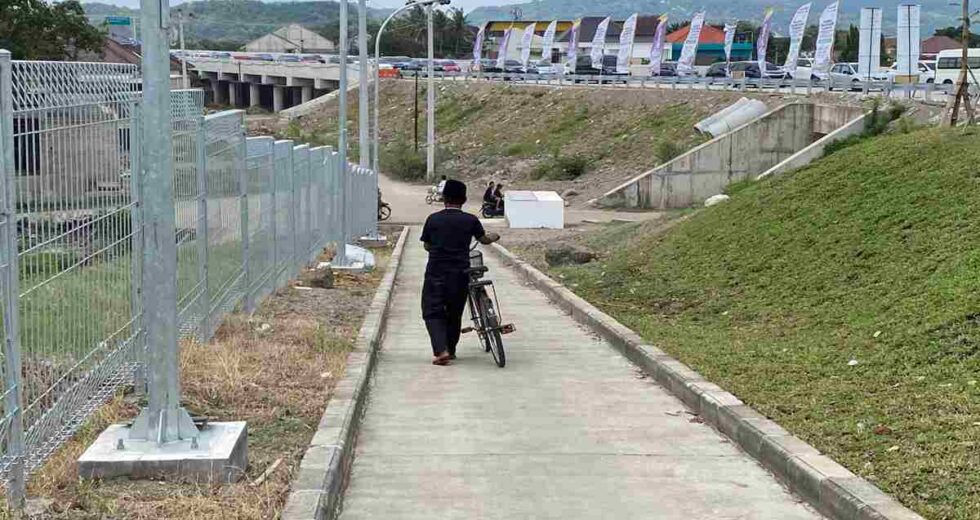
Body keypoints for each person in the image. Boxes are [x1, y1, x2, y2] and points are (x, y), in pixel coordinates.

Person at [420, 179, 500, 366]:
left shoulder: (433, 219)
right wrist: (495, 236)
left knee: (433, 311)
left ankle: (441, 350)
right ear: (463, 200)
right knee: (454, 312)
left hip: (436, 272)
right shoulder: (471, 220)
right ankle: (451, 350)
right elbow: (484, 239)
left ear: (443, 198)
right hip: (460, 272)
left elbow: (427, 245)